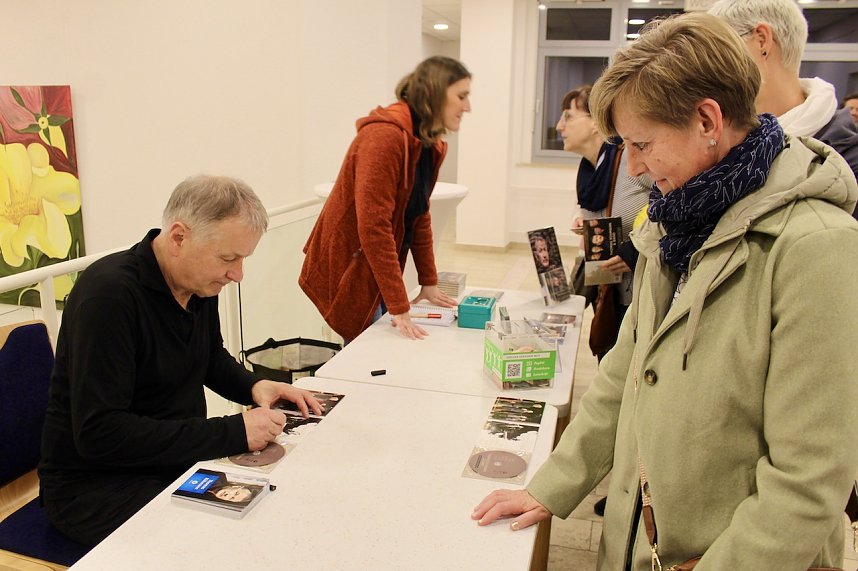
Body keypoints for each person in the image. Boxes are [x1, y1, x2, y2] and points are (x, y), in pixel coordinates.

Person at [472, 12, 858, 570]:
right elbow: (622, 375)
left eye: (643, 143)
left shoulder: (816, 247)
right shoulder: (671, 224)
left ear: (707, 120)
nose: (634, 168)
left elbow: (810, 477)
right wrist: (549, 487)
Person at [38, 175, 323, 546]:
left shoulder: (197, 283)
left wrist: (253, 385)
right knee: (226, 539)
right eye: (228, 258)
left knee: (284, 503)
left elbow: (207, 357)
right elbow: (100, 434)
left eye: (242, 259)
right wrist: (234, 432)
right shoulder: (108, 297)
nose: (237, 275)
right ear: (178, 237)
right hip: (92, 486)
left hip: (168, 462)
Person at [299, 56, 471, 342]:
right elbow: (373, 227)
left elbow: (418, 213)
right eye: (461, 96)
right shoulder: (384, 136)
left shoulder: (429, 144)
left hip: (372, 267)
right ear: (435, 93)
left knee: (378, 347)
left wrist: (428, 281)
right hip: (351, 267)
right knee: (366, 355)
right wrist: (398, 304)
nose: (467, 106)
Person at [710, 0, 858, 219]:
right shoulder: (721, 144)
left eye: (716, 52)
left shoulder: (848, 161)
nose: (708, 68)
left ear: (761, 41)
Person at [556, 84, 649, 361]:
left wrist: (635, 248)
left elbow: (670, 205)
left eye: (568, 117)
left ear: (596, 122)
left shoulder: (631, 159)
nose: (560, 126)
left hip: (639, 293)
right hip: (607, 289)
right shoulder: (589, 169)